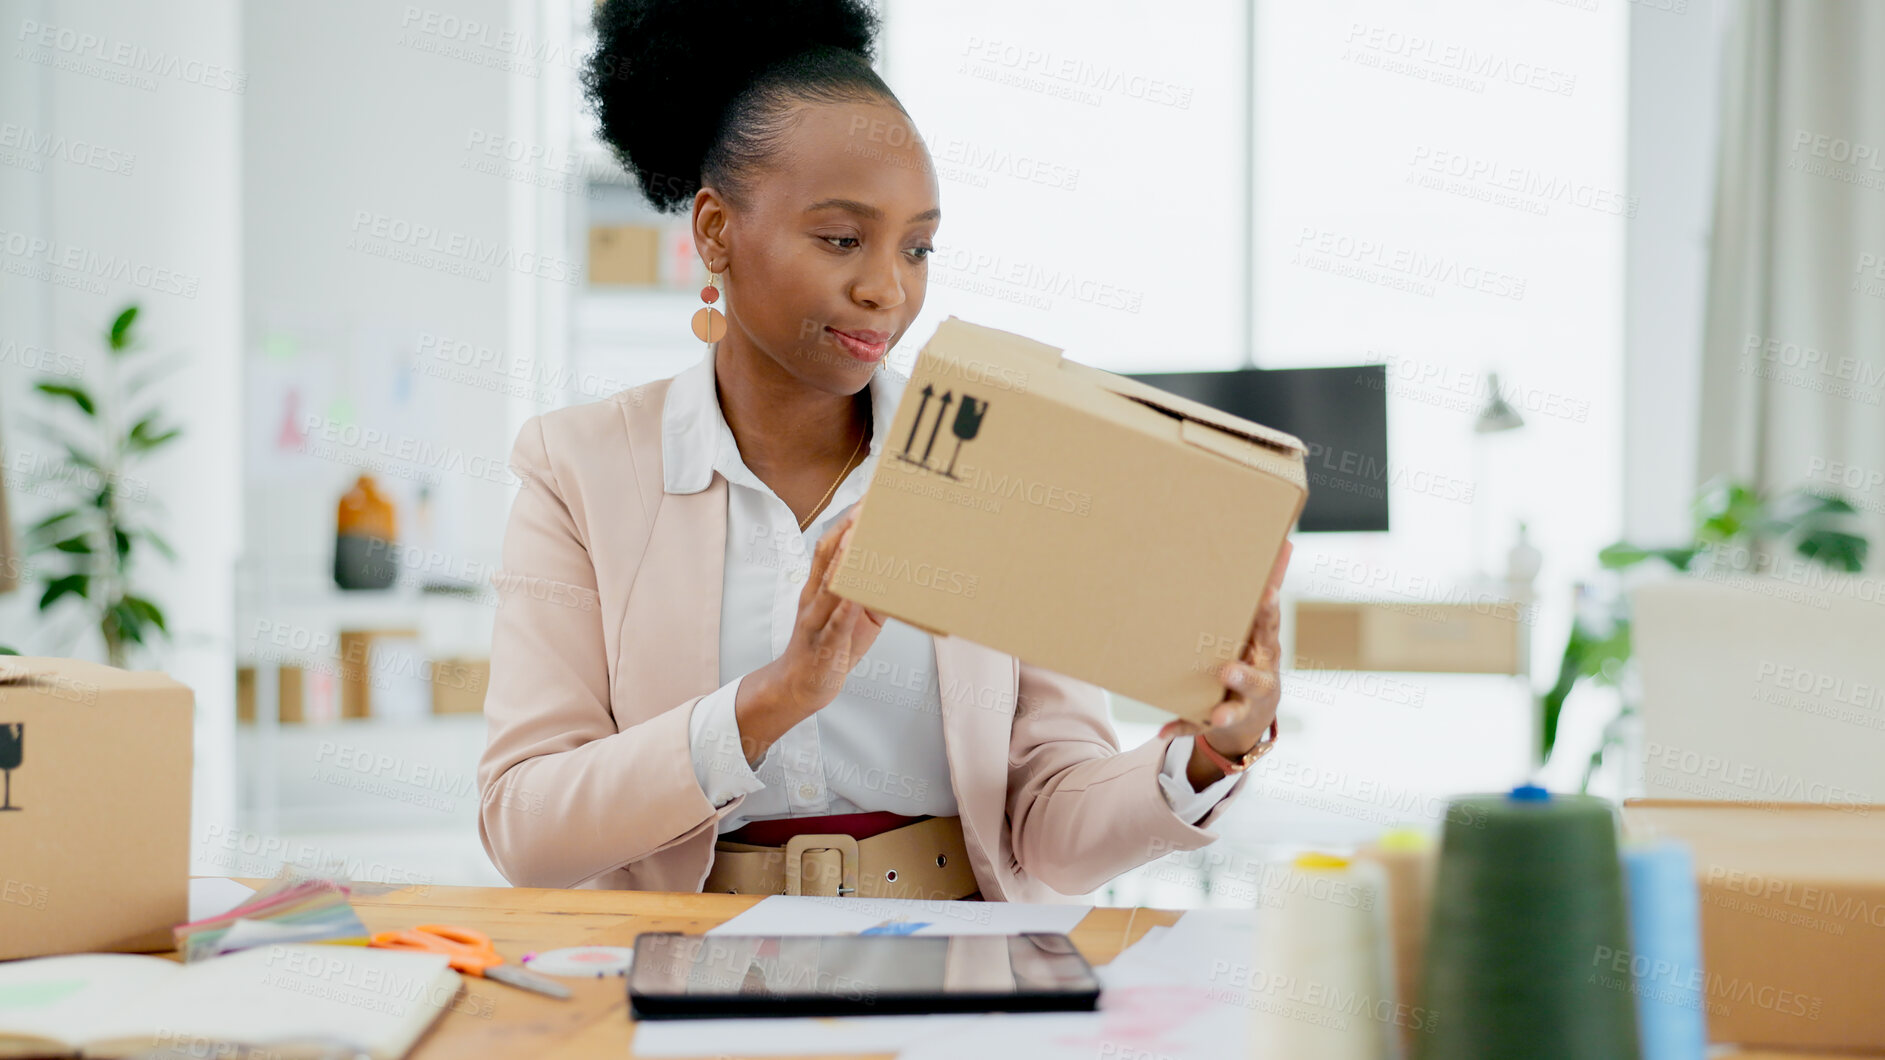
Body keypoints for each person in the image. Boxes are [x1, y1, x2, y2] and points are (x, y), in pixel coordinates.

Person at [475, 0, 1292, 903]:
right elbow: (526, 828)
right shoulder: (578, 470)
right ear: (714, 230)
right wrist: (778, 696)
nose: (886, 289)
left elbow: (1048, 829)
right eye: (841, 239)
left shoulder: (1005, 466)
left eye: (917, 247)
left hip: (954, 968)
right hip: (684, 965)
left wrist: (1207, 754)